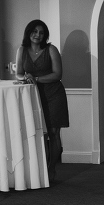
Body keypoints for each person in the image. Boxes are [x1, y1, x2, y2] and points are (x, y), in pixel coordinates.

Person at [15, 19, 70, 182]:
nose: (38, 35)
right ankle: (37, 170)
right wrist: (25, 77)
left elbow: (57, 74)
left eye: (41, 32)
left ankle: (51, 169)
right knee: (36, 133)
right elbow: (18, 73)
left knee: (53, 133)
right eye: (34, 31)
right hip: (32, 96)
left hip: (54, 95)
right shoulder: (22, 50)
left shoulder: (51, 49)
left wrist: (36, 78)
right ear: (28, 32)